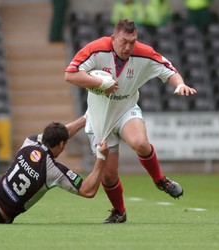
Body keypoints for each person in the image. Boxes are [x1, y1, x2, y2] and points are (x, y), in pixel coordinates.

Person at [65, 19, 197, 223]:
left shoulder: (144, 53)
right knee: (109, 176)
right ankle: (119, 211)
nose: (128, 47)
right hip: (100, 117)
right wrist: (101, 83)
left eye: (132, 42)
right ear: (113, 38)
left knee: (140, 143)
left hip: (126, 109)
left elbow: (169, 70)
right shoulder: (96, 49)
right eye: (124, 42)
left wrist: (180, 84)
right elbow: (70, 75)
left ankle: (160, 180)